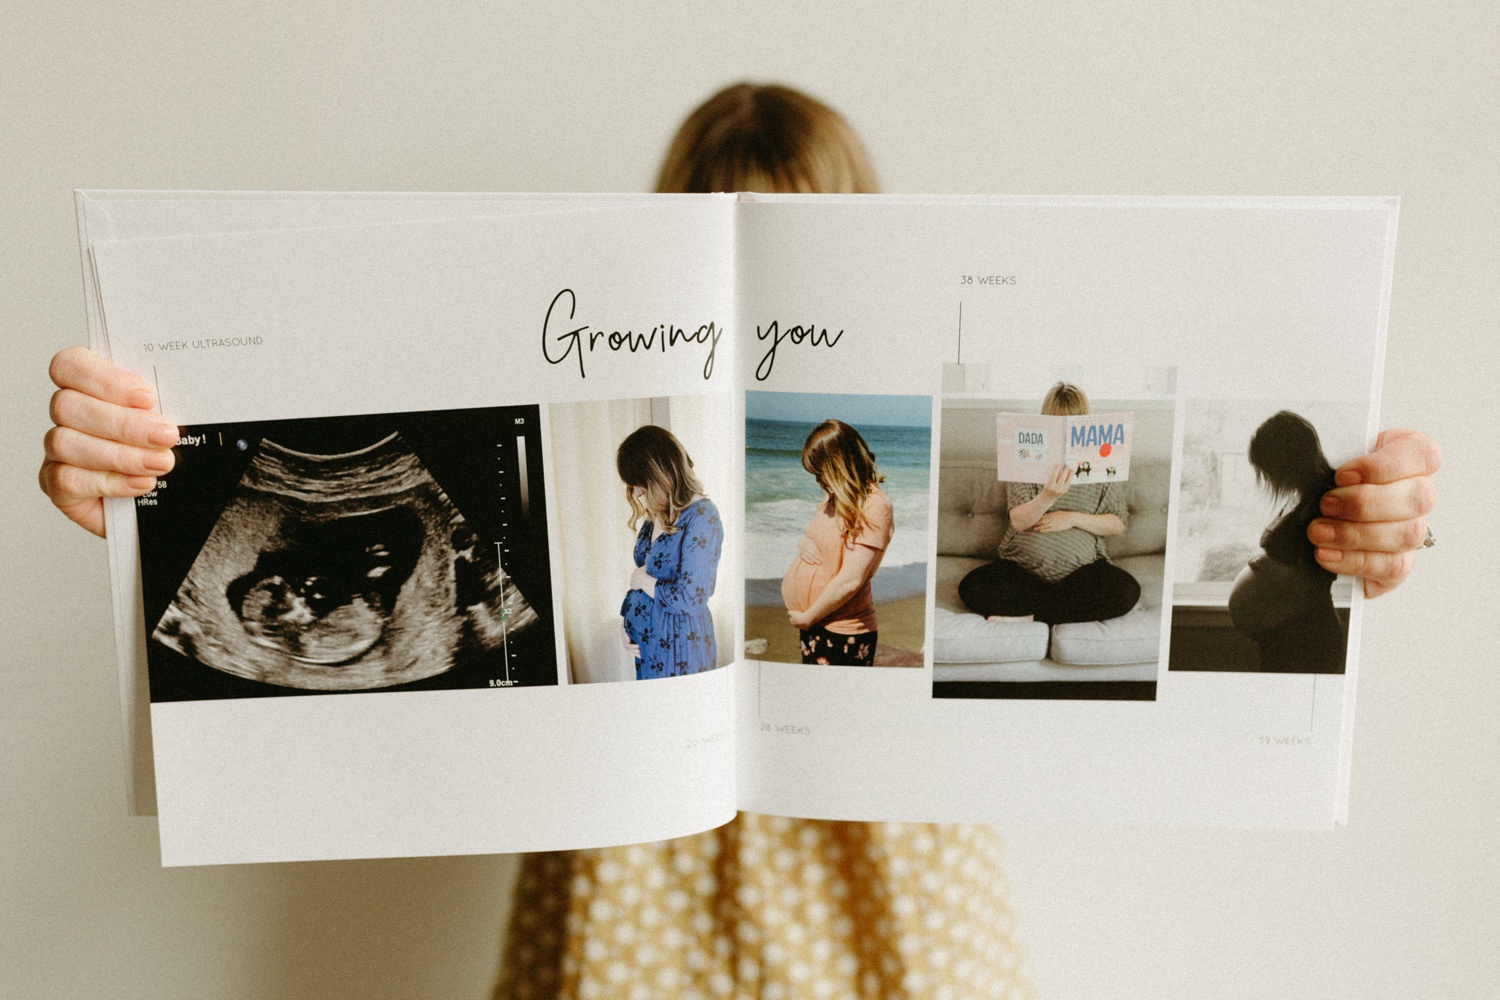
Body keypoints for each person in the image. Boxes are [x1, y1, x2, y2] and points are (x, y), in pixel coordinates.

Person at [38, 82, 1441, 999]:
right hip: (639, 830)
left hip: (893, 837)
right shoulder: (676, 506)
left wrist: (1335, 528)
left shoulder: (945, 442)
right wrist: (142, 484)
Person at [958, 382, 1143, 625]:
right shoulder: (1023, 462)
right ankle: (1057, 611)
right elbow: (1019, 521)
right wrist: (1047, 497)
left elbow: (1117, 525)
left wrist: (1071, 518)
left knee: (1126, 590)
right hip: (1022, 572)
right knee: (972, 586)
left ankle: (1030, 616)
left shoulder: (1104, 467)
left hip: (1083, 575)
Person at [1228, 411, 1346, 671]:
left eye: (1268, 469)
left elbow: (1316, 577)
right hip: (1287, 636)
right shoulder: (1304, 496)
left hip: (1305, 639)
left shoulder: (1325, 501)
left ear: (1287, 460)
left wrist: (1267, 568)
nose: (1268, 478)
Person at [614, 425, 723, 680]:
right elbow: (646, 578)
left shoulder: (703, 516)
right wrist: (627, 623)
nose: (637, 492)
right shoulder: (657, 514)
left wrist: (642, 581)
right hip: (649, 649)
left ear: (660, 473)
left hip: (681, 650)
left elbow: (691, 596)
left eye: (639, 482)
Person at [781, 420, 893, 666]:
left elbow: (851, 580)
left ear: (839, 465)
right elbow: (821, 538)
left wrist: (809, 616)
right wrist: (803, 542)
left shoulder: (874, 505)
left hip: (844, 633)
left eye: (821, 472)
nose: (818, 481)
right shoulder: (833, 498)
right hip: (816, 625)